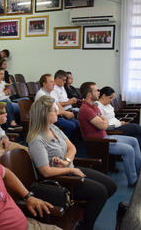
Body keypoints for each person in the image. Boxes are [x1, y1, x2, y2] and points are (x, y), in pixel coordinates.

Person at [27, 95, 117, 230]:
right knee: (101, 192)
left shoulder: (53, 128)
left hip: (69, 169)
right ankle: (87, 226)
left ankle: (84, 212)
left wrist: (66, 161)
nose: (57, 112)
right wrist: (70, 169)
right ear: (44, 114)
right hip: (60, 180)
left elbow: (72, 147)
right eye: (54, 110)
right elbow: (46, 172)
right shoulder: (37, 140)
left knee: (111, 185)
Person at [78, 82, 141, 186]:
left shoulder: (94, 106)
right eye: (95, 90)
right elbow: (104, 125)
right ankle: (133, 180)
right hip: (99, 142)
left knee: (134, 140)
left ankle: (140, 171)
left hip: (106, 137)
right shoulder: (86, 109)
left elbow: (104, 120)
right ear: (89, 94)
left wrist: (104, 120)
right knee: (129, 150)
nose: (98, 92)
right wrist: (104, 120)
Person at [95, 86, 141, 151]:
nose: (111, 100)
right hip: (112, 129)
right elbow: (103, 125)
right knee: (135, 127)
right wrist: (120, 123)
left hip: (117, 125)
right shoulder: (98, 107)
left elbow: (112, 118)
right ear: (104, 96)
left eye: (112, 98)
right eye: (110, 98)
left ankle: (138, 160)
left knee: (137, 136)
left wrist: (120, 122)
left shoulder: (107, 104)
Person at [35, 74, 79, 141]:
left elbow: (58, 104)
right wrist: (65, 113)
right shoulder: (41, 94)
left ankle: (70, 142)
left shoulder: (51, 92)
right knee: (71, 125)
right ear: (44, 84)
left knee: (77, 123)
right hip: (48, 119)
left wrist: (66, 113)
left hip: (57, 115)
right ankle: (61, 142)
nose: (54, 84)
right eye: (51, 82)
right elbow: (50, 111)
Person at [0, 67, 22, 131]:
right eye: (1, 74)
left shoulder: (3, 83)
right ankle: (12, 123)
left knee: (22, 106)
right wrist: (3, 93)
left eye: (3, 74)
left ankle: (21, 126)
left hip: (7, 101)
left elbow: (7, 96)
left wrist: (8, 93)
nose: (3, 76)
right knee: (6, 101)